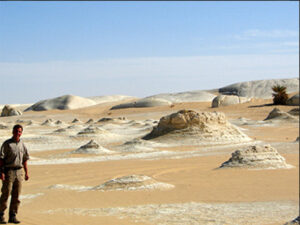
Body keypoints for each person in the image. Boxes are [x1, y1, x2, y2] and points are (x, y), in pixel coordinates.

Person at [0, 124, 29, 224]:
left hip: (19, 172)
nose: (18, 133)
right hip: (9, 171)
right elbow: (1, 159)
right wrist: (1, 172)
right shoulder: (7, 144)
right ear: (13, 132)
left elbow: (25, 159)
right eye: (16, 131)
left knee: (17, 195)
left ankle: (13, 215)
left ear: (21, 133)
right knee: (6, 193)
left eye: (20, 131)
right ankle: (0, 215)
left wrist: (26, 172)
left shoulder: (22, 144)